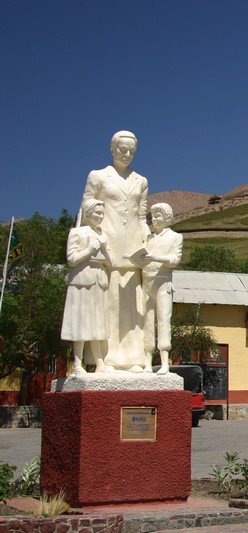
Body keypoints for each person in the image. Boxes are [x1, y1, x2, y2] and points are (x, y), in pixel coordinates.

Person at [81, 131, 149, 372]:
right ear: (112, 149)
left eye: (131, 150)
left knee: (132, 305)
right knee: (107, 303)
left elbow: (141, 216)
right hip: (105, 247)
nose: (127, 154)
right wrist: (83, 244)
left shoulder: (141, 181)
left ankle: (133, 358)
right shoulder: (98, 176)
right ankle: (104, 358)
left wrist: (147, 237)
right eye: (122, 149)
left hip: (132, 248)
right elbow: (85, 211)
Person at [60, 200, 113, 374]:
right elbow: (72, 259)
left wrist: (104, 249)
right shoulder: (77, 232)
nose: (100, 216)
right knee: (80, 322)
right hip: (82, 280)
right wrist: (90, 249)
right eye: (97, 213)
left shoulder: (102, 234)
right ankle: (77, 364)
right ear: (88, 213)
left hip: (99, 280)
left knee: (97, 322)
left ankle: (99, 363)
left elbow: (110, 262)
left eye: (102, 213)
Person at [139, 203, 183, 375]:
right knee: (147, 321)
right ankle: (147, 362)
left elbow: (174, 260)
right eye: (153, 216)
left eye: (158, 216)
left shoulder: (175, 237)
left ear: (167, 218)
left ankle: (165, 362)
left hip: (163, 283)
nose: (154, 220)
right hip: (146, 282)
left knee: (164, 320)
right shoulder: (148, 238)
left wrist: (155, 257)